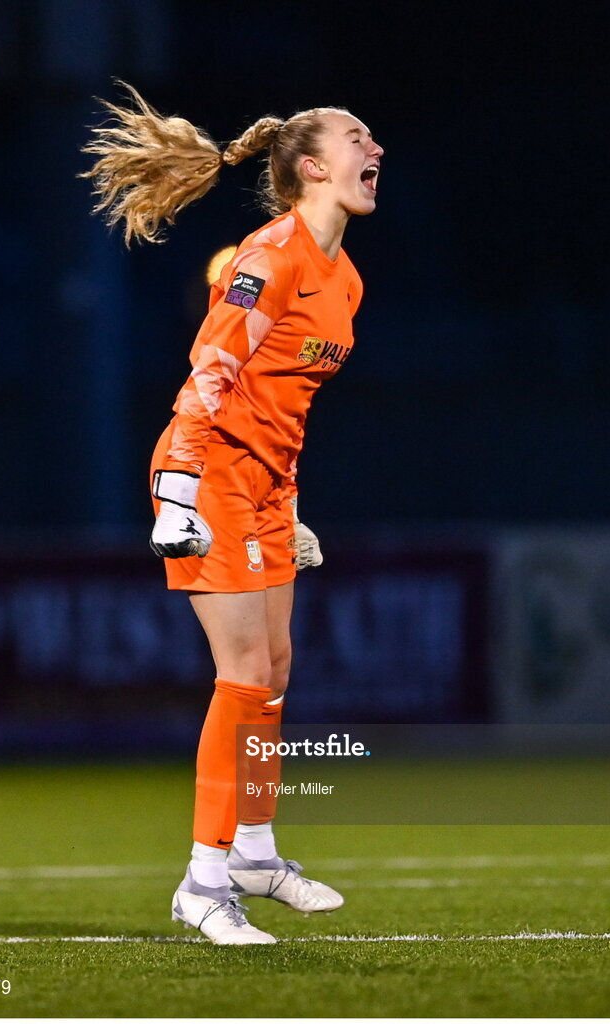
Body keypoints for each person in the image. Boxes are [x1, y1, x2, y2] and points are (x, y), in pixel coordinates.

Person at [82, 84, 382, 944]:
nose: (377, 150)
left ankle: (253, 851)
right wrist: (178, 491)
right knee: (243, 673)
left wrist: (288, 503)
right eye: (358, 136)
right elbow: (211, 370)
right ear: (313, 167)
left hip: (263, 484)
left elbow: (283, 403)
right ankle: (202, 883)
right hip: (206, 470)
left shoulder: (344, 279)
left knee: (277, 671)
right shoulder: (270, 255)